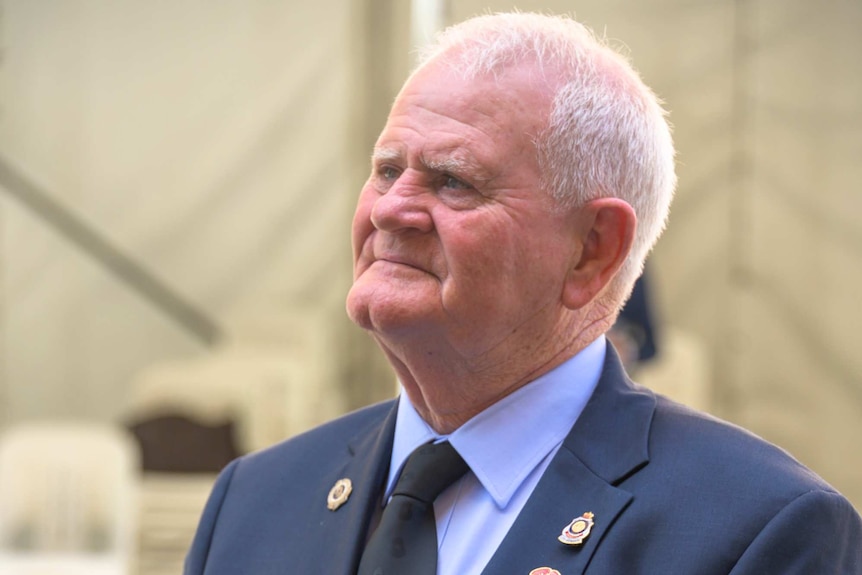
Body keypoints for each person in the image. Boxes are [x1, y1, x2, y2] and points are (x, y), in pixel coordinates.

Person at [185, 12, 862, 574]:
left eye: (453, 180)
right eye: (388, 170)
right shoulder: (254, 501)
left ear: (591, 249)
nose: (393, 209)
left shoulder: (757, 533)